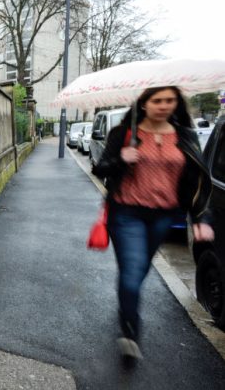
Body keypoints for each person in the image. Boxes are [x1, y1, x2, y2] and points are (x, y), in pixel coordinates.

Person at [92, 86, 214, 362]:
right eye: (157, 100)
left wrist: (200, 218)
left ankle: (126, 302)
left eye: (170, 100)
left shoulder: (185, 136)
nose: (164, 105)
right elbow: (100, 168)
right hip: (127, 213)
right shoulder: (124, 134)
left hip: (163, 216)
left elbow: (198, 182)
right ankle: (130, 330)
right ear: (144, 104)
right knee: (133, 270)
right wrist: (121, 159)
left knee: (138, 270)